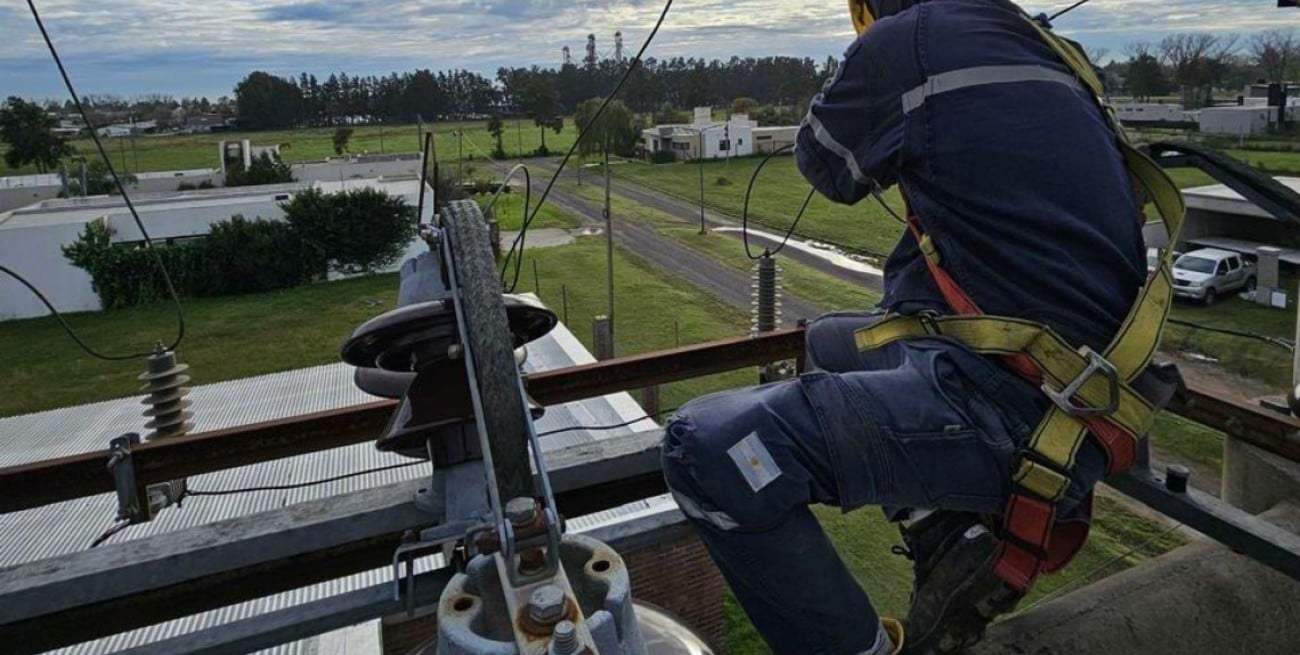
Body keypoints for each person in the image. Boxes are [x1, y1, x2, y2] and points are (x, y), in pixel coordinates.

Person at [660, 0, 1180, 653]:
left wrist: (868, 59)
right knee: (830, 341)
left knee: (704, 448)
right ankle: (951, 534)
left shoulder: (903, 42)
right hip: (1093, 388)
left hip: (1023, 412)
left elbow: (825, 165)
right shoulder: (1044, 44)